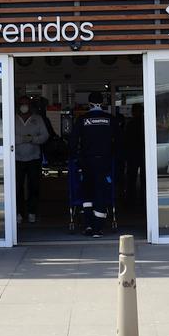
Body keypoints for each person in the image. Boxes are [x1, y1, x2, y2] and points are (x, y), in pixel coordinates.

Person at [72, 92, 121, 238]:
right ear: (103, 103)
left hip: (86, 162)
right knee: (101, 193)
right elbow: (118, 142)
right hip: (104, 162)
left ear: (89, 103)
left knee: (87, 194)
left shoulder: (82, 119)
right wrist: (116, 158)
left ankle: (87, 225)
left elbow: (73, 142)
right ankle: (98, 228)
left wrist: (75, 158)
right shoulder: (110, 119)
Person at [15, 97, 50, 224]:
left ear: (30, 106)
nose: (24, 106)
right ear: (18, 105)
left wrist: (32, 139)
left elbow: (45, 136)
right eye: (21, 104)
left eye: (26, 104)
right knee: (17, 186)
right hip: (16, 158)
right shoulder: (12, 118)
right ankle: (18, 212)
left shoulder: (38, 119)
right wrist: (22, 139)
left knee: (34, 186)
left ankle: (32, 212)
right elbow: (7, 136)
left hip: (34, 158)